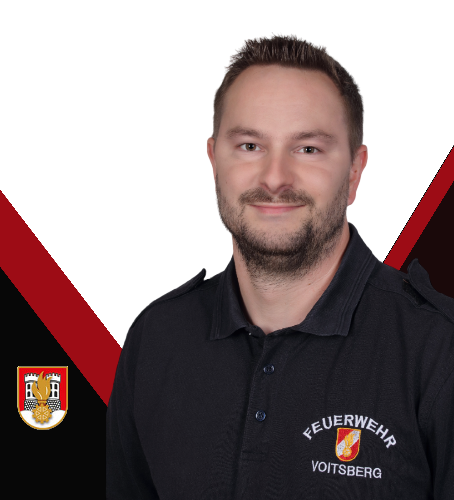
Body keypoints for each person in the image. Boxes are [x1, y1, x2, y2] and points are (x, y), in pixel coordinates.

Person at [106, 36, 454, 499]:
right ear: (214, 161)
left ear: (354, 171)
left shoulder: (439, 350)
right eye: (250, 145)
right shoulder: (156, 338)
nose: (274, 178)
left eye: (307, 149)